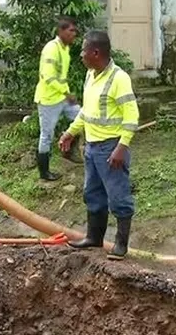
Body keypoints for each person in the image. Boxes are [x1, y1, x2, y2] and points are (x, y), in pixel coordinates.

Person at [59, 30, 140, 260]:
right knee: (92, 194)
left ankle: (121, 245)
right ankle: (94, 237)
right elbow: (87, 111)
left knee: (118, 196)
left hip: (111, 148)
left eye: (84, 50)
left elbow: (132, 116)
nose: (81, 55)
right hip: (92, 147)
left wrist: (121, 148)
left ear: (96, 52)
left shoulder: (119, 79)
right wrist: (70, 133)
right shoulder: (90, 75)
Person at [34, 16, 81, 181]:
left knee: (82, 118)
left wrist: (67, 94)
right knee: (46, 135)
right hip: (48, 100)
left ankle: (68, 151)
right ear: (61, 31)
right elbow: (47, 76)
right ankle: (44, 173)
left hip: (62, 97)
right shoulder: (51, 48)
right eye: (71, 31)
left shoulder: (65, 48)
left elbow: (61, 76)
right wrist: (67, 93)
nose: (74, 34)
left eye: (75, 31)